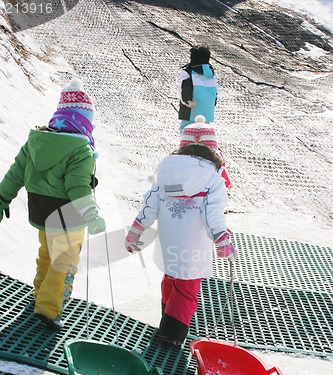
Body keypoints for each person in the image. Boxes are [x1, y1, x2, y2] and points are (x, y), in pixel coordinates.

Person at [0, 78, 105, 331]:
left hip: (40, 210)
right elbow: (77, 186)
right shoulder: (81, 150)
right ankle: (48, 310)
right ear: (83, 120)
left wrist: (2, 197)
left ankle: (39, 295)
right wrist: (91, 214)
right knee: (64, 262)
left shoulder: (37, 141)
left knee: (47, 253)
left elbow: (16, 173)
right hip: (68, 215)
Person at [125, 119, 237, 346]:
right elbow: (212, 211)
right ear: (212, 149)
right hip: (193, 243)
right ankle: (172, 335)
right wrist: (222, 238)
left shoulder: (166, 172)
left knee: (171, 279)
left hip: (168, 241)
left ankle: (167, 321)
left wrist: (136, 230)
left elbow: (150, 204)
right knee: (186, 288)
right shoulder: (213, 178)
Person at [178, 45, 218, 134]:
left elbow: (184, 87)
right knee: (204, 131)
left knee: (186, 130)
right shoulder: (210, 73)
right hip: (207, 110)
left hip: (191, 109)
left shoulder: (187, 72)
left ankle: (187, 146)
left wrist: (186, 101)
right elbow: (215, 92)